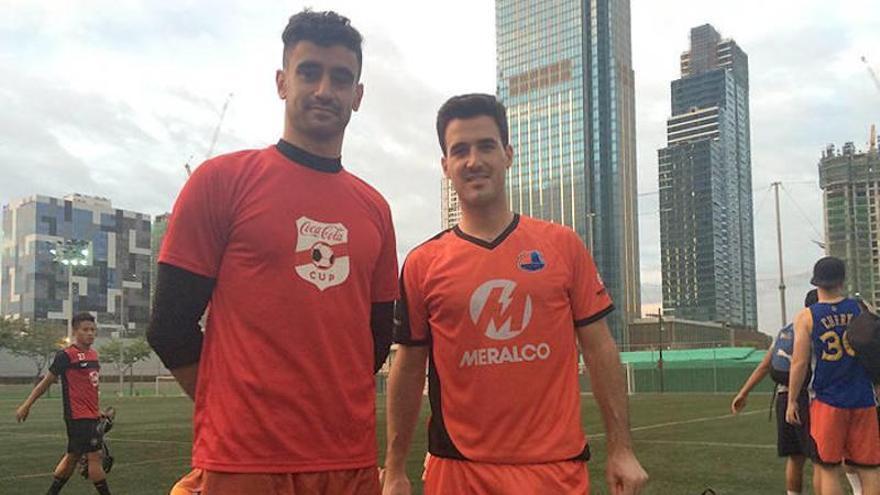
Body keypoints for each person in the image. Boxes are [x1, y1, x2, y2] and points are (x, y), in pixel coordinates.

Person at [147, 10, 398, 495]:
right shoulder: (221, 181)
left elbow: (375, 336)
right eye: (309, 72)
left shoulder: (375, 208)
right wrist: (234, 416)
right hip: (246, 462)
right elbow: (169, 326)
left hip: (349, 459)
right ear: (282, 82)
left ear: (358, 96)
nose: (325, 89)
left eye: (341, 77)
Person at [381, 94, 647, 495]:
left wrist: (621, 449)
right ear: (445, 165)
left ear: (508, 154)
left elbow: (599, 348)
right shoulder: (423, 263)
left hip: (554, 471)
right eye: (460, 150)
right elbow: (408, 365)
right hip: (458, 473)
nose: (474, 160)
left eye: (486, 146)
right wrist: (395, 466)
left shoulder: (563, 245)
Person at [787, 257, 880, 495]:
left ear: (816, 282)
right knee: (869, 469)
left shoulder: (807, 316)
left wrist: (791, 400)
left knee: (828, 467)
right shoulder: (861, 308)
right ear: (842, 280)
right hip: (863, 399)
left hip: (828, 401)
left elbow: (799, 362)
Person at [15, 312, 112, 495]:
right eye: (85, 329)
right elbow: (45, 382)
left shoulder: (93, 355)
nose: (90, 333)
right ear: (75, 332)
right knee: (95, 457)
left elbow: (89, 389)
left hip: (89, 416)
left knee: (72, 457)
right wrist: (26, 405)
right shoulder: (66, 356)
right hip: (78, 416)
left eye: (93, 330)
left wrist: (96, 411)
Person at [732, 290, 818, 495]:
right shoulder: (817, 328)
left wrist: (743, 393)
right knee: (821, 461)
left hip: (783, 396)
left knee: (795, 458)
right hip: (809, 397)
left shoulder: (785, 331)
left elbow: (765, 365)